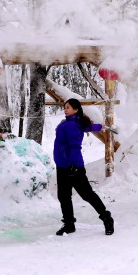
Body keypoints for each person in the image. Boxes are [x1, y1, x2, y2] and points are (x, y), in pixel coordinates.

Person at [53, 98, 114, 236]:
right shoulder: (73, 122)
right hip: (62, 166)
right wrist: (100, 127)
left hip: (72, 166)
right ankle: (69, 224)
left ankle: (107, 218)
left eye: (67, 107)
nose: (65, 109)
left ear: (75, 109)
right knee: (63, 196)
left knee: (87, 195)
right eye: (64, 107)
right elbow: (89, 127)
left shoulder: (72, 125)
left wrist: (73, 165)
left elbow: (74, 147)